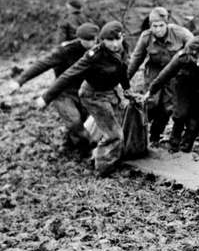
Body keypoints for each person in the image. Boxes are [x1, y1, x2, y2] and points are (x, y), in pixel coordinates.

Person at [38, 21, 130, 175]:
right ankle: (104, 168)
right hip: (93, 96)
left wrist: (127, 90)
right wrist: (47, 97)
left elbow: (122, 69)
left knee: (111, 125)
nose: (114, 44)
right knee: (114, 134)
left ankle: (96, 151)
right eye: (109, 41)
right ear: (102, 41)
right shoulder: (93, 56)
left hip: (110, 91)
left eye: (117, 39)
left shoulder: (123, 47)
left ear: (122, 37)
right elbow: (68, 75)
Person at [14, 22, 99, 154]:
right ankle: (89, 150)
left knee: (84, 121)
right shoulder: (65, 51)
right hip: (63, 92)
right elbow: (43, 64)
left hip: (84, 91)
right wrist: (21, 80)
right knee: (74, 121)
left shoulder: (99, 49)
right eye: (89, 40)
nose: (93, 42)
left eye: (95, 39)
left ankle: (70, 145)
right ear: (80, 39)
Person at [126, 7, 193, 146]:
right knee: (150, 103)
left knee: (167, 107)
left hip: (174, 73)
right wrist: (123, 82)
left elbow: (196, 49)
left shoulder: (181, 33)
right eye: (154, 26)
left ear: (166, 24)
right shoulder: (146, 37)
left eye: (161, 25)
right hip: (154, 72)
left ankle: (155, 135)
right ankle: (138, 133)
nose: (158, 29)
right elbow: (135, 60)